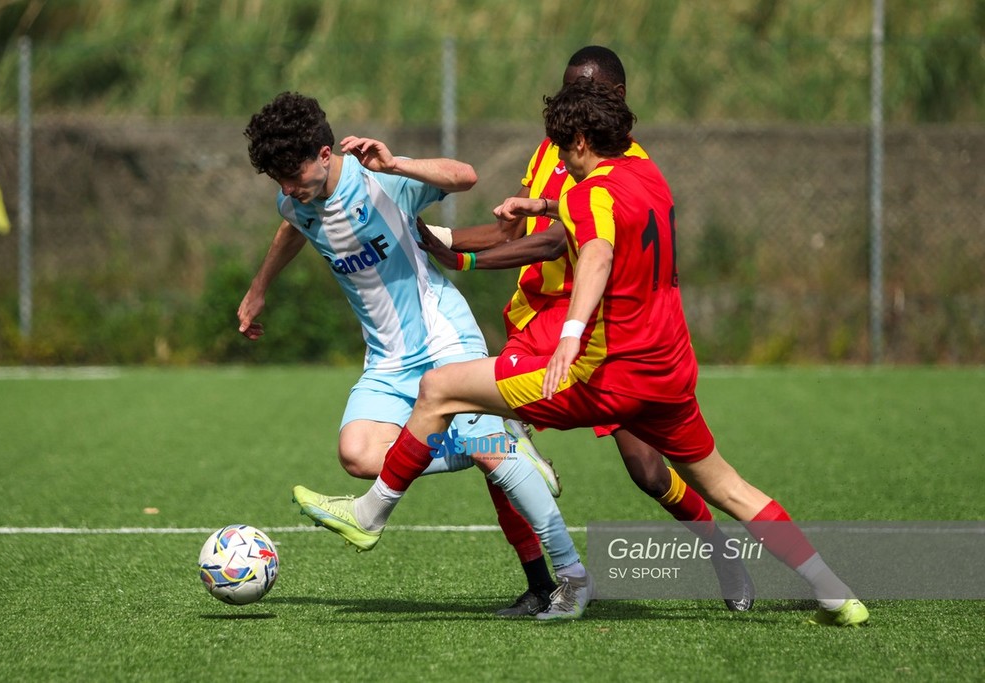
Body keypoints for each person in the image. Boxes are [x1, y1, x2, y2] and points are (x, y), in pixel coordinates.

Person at [293, 78, 869, 627]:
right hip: (670, 374)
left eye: (564, 150)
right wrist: (541, 207)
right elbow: (600, 215)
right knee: (730, 489)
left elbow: (595, 252)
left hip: (604, 374)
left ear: (584, 141)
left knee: (438, 389)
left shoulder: (591, 193)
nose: (562, 161)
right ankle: (833, 590)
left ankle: (370, 514)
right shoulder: (648, 173)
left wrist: (570, 334)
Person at [419, 45, 753, 612]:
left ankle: (720, 551)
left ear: (616, 97)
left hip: (596, 329)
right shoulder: (552, 146)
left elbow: (556, 239)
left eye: (585, 88)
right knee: (489, 437)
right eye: (567, 86)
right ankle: (539, 581)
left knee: (647, 471)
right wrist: (440, 238)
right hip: (536, 320)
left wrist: (466, 260)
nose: (572, 98)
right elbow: (515, 227)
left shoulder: (625, 162)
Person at [238, 91, 574, 617]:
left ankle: (551, 581)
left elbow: (464, 176)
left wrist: (396, 163)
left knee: (493, 461)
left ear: (325, 154)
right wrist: (259, 288)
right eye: (277, 179)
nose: (286, 189)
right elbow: (292, 226)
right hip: (387, 360)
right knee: (358, 454)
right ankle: (500, 441)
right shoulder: (295, 201)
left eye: (293, 175)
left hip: (444, 337)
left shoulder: (378, 179)